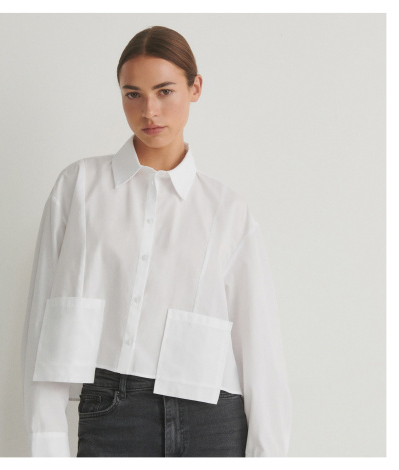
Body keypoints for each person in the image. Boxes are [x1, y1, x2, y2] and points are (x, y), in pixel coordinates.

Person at [21, 25, 292, 458]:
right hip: (113, 415)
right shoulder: (79, 187)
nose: (149, 110)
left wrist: (270, 456)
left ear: (195, 88)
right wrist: (46, 445)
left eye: (165, 91)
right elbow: (44, 325)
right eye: (133, 94)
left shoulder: (227, 209)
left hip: (213, 422)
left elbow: (260, 347)